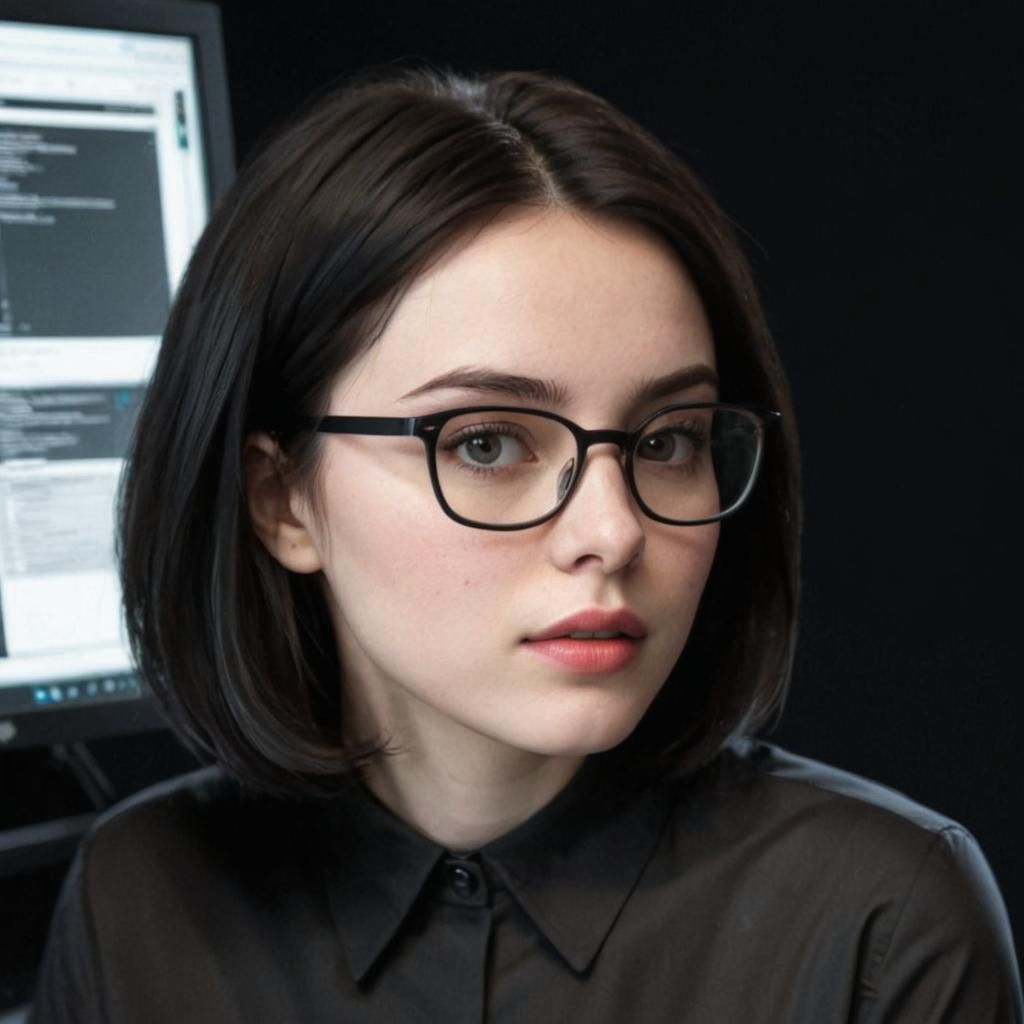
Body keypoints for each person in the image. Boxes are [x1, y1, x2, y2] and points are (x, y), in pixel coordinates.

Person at [29, 67, 1021, 1023]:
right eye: (487, 442)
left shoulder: (882, 924)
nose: (613, 530)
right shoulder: (138, 897)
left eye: (666, 441)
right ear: (281, 499)